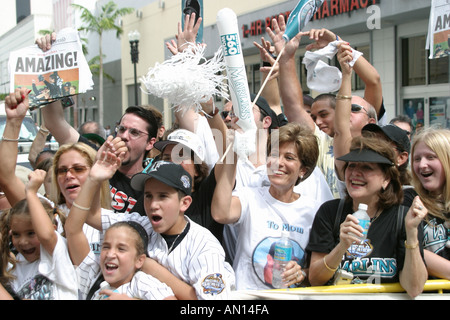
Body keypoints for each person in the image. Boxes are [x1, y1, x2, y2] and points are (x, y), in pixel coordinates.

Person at [69, 156, 235, 300]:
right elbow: (91, 216)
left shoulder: (204, 246)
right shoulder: (141, 225)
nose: (153, 205)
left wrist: (155, 271)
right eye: (148, 196)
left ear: (184, 203)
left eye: (163, 196)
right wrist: (94, 179)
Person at [307, 135, 428, 298]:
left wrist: (412, 234)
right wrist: (342, 247)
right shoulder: (330, 212)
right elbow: (315, 279)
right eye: (352, 165)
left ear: (386, 178)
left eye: (366, 167)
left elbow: (414, 288)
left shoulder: (404, 218)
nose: (355, 173)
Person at [212, 122, 322, 290]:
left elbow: (318, 273)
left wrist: (302, 274)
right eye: (274, 155)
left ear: (303, 170)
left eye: (289, 157)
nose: (278, 162)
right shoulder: (249, 196)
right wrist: (232, 155)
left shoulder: (314, 211)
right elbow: (221, 213)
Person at [64, 154, 176, 300]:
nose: (110, 254)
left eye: (121, 248)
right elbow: (72, 229)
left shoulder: (142, 283)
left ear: (139, 260)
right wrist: (93, 179)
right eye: (106, 247)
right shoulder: (93, 277)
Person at [0, 171, 78, 300]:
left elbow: (47, 236)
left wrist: (31, 192)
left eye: (31, 233)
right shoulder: (14, 268)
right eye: (16, 234)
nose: (23, 242)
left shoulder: (58, 254)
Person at [409, 128, 450, 280]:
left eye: (430, 157)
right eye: (417, 159)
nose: (422, 165)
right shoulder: (409, 199)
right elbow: (411, 249)